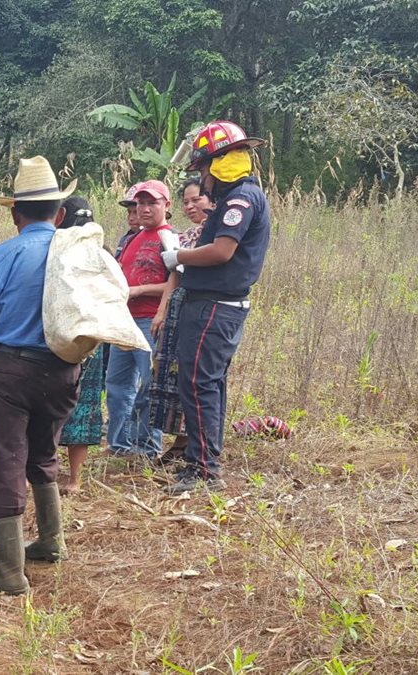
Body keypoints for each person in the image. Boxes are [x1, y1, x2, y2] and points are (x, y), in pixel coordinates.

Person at [0, 156, 80, 595]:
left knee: (7, 458)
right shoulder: (78, 253)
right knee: (44, 451)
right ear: (61, 213)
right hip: (67, 369)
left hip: (14, 369)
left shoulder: (6, 253)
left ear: (15, 213)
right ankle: (51, 540)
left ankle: (10, 574)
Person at [160, 120, 271, 494]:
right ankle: (203, 462)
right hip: (216, 306)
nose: (202, 179)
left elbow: (222, 251)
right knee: (208, 385)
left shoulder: (240, 199)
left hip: (213, 308)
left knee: (198, 385)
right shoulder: (240, 197)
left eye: (204, 169)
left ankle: (204, 470)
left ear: (218, 164)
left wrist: (178, 256)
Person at [105, 180, 176, 459]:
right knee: (117, 384)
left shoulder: (168, 238)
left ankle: (147, 447)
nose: (144, 209)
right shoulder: (134, 238)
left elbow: (176, 282)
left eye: (152, 203)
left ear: (166, 206)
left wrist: (139, 291)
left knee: (148, 386)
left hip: (150, 320)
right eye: (140, 203)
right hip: (124, 321)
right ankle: (119, 444)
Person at [148, 178, 214, 462]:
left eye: (195, 199)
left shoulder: (216, 235)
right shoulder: (184, 237)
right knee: (173, 374)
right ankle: (179, 439)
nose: (190, 206)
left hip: (202, 309)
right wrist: (162, 311)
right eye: (186, 201)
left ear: (211, 200)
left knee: (194, 375)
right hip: (178, 308)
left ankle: (194, 444)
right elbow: (174, 274)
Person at [54, 196, 104, 495]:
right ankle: (74, 479)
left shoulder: (58, 252)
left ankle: (46, 471)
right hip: (92, 341)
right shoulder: (103, 253)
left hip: (61, 340)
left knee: (52, 405)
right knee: (83, 407)